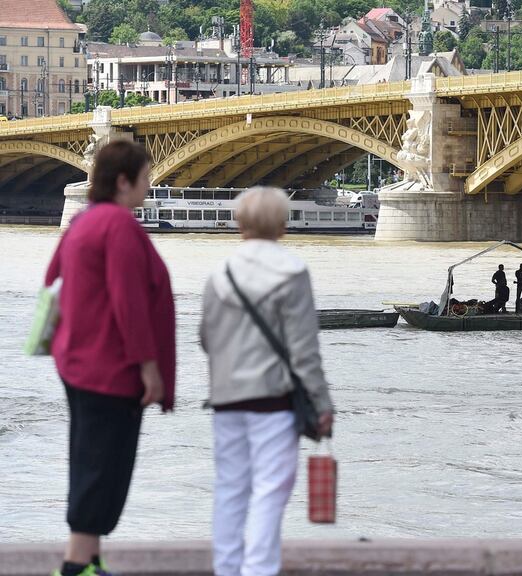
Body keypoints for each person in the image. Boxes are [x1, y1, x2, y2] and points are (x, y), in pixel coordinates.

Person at [44, 139, 176, 576]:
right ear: (123, 181)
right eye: (145, 177)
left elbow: (52, 284)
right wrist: (149, 366)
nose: (149, 184)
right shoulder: (119, 227)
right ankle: (76, 565)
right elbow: (129, 302)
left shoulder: (82, 224)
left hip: (79, 362)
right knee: (105, 465)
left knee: (89, 458)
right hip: (111, 367)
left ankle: (88, 559)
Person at [200, 187, 334, 576]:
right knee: (269, 492)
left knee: (230, 490)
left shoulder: (219, 274)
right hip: (273, 403)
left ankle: (226, 569)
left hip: (226, 401)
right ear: (283, 224)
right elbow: (304, 351)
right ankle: (258, 570)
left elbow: (207, 339)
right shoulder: (292, 272)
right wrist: (322, 405)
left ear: (239, 224)